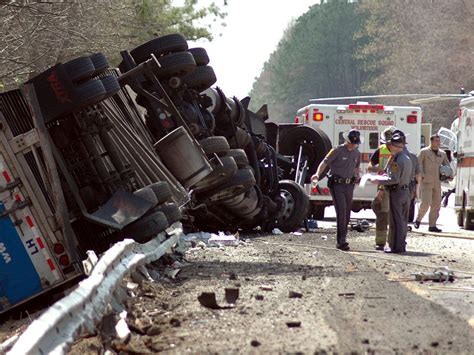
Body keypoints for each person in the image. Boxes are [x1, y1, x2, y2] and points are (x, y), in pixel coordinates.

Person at [311, 129, 361, 251]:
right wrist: (317, 174)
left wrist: (357, 176)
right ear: (347, 140)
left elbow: (356, 167)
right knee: (341, 211)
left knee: (347, 212)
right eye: (351, 143)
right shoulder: (337, 150)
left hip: (349, 185)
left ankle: (343, 237)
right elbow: (324, 162)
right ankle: (341, 241)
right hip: (337, 184)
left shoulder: (356, 153)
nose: (352, 145)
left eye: (355, 144)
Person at [373, 131, 413, 253]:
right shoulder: (407, 158)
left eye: (390, 145)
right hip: (405, 192)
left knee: (396, 221)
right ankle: (400, 245)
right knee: (402, 220)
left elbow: (394, 179)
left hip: (397, 192)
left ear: (396, 146)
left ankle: (396, 247)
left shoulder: (396, 160)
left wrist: (378, 181)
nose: (388, 147)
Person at [413, 134, 450, 232]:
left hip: (437, 182)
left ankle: (432, 225)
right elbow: (418, 164)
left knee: (436, 204)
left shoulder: (442, 153)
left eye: (439, 141)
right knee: (426, 202)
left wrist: (449, 174)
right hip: (426, 182)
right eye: (436, 141)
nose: (438, 143)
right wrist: (422, 175)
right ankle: (418, 220)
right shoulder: (424, 152)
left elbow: (447, 165)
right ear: (431, 141)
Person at [368, 126, 396, 250]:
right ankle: (380, 242)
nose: (389, 144)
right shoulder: (381, 150)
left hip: (397, 187)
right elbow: (370, 166)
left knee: (395, 216)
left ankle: (393, 242)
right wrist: (378, 169)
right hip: (383, 187)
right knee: (382, 215)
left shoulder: (401, 151)